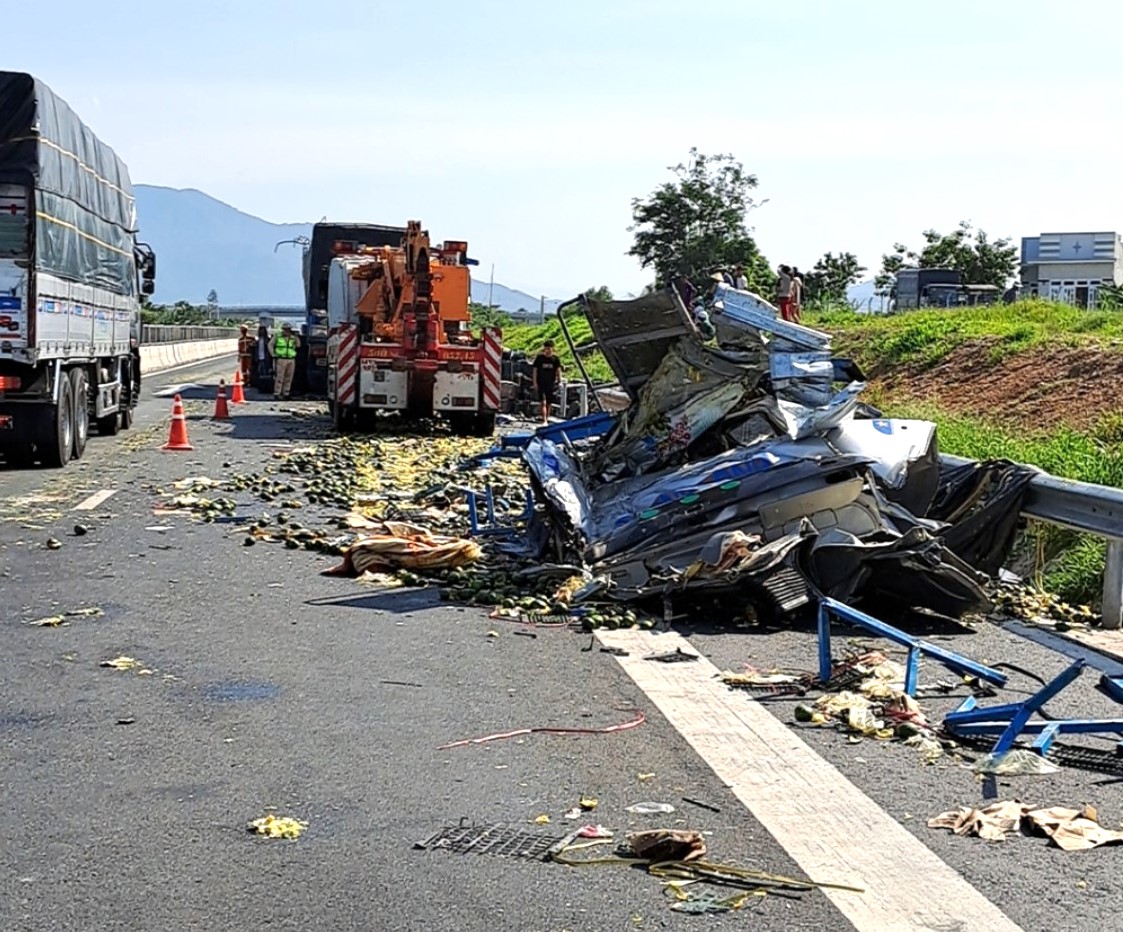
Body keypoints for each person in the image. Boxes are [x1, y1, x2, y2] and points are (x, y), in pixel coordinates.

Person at [530, 339, 562, 426]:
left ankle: (547, 418)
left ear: (552, 349)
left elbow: (558, 370)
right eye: (546, 348)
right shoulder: (539, 359)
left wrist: (559, 381)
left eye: (549, 348)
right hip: (541, 383)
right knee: (543, 402)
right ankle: (544, 420)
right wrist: (535, 383)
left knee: (549, 402)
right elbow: (535, 370)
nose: (548, 350)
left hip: (551, 383)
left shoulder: (555, 359)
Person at [270, 322, 300, 400]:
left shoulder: (293, 337)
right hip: (281, 359)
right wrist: (273, 354)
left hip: (291, 359)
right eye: (285, 329)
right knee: (279, 377)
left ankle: (286, 393)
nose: (287, 331)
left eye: (288, 329)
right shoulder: (277, 336)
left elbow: (298, 345)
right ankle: (277, 393)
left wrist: (296, 337)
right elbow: (270, 345)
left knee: (289, 377)